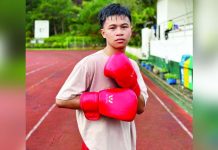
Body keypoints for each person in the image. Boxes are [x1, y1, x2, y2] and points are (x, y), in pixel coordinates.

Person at [55, 3, 148, 150]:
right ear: (103, 32)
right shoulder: (89, 63)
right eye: (112, 28)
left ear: (131, 30)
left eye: (124, 27)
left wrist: (132, 84)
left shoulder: (133, 65)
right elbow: (61, 99)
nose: (119, 32)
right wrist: (100, 101)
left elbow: (141, 108)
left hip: (125, 144)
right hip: (95, 145)